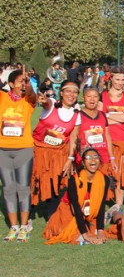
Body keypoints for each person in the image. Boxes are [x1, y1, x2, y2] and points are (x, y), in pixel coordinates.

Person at [31, 79, 81, 219]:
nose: (71, 94)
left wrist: (70, 158)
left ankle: (51, 216)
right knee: (35, 181)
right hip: (39, 151)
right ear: (62, 93)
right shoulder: (52, 104)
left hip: (59, 154)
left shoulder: (76, 114)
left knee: (56, 183)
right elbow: (46, 102)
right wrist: (44, 99)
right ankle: (28, 215)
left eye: (75, 92)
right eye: (68, 91)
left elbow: (73, 138)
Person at [43, 147, 113, 245]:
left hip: (89, 214)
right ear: (83, 163)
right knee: (73, 235)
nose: (93, 160)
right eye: (89, 157)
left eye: (95, 157)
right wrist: (85, 235)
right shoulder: (74, 180)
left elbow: (101, 205)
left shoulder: (104, 179)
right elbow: (75, 208)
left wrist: (100, 230)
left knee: (98, 234)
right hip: (69, 213)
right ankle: (82, 233)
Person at [0, 69, 37, 241]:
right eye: (20, 81)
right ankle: (13, 227)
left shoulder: (28, 100)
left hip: (23, 149)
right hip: (3, 150)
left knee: (22, 188)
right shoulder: (2, 98)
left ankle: (24, 226)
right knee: (8, 188)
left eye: (25, 81)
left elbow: (33, 96)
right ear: (11, 84)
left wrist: (28, 83)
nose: (23, 84)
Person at [100, 67, 124, 210]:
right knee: (110, 174)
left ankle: (120, 206)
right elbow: (98, 118)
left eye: (123, 80)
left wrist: (107, 117)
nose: (120, 83)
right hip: (107, 140)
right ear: (111, 79)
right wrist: (118, 118)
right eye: (117, 79)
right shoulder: (102, 96)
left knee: (122, 175)